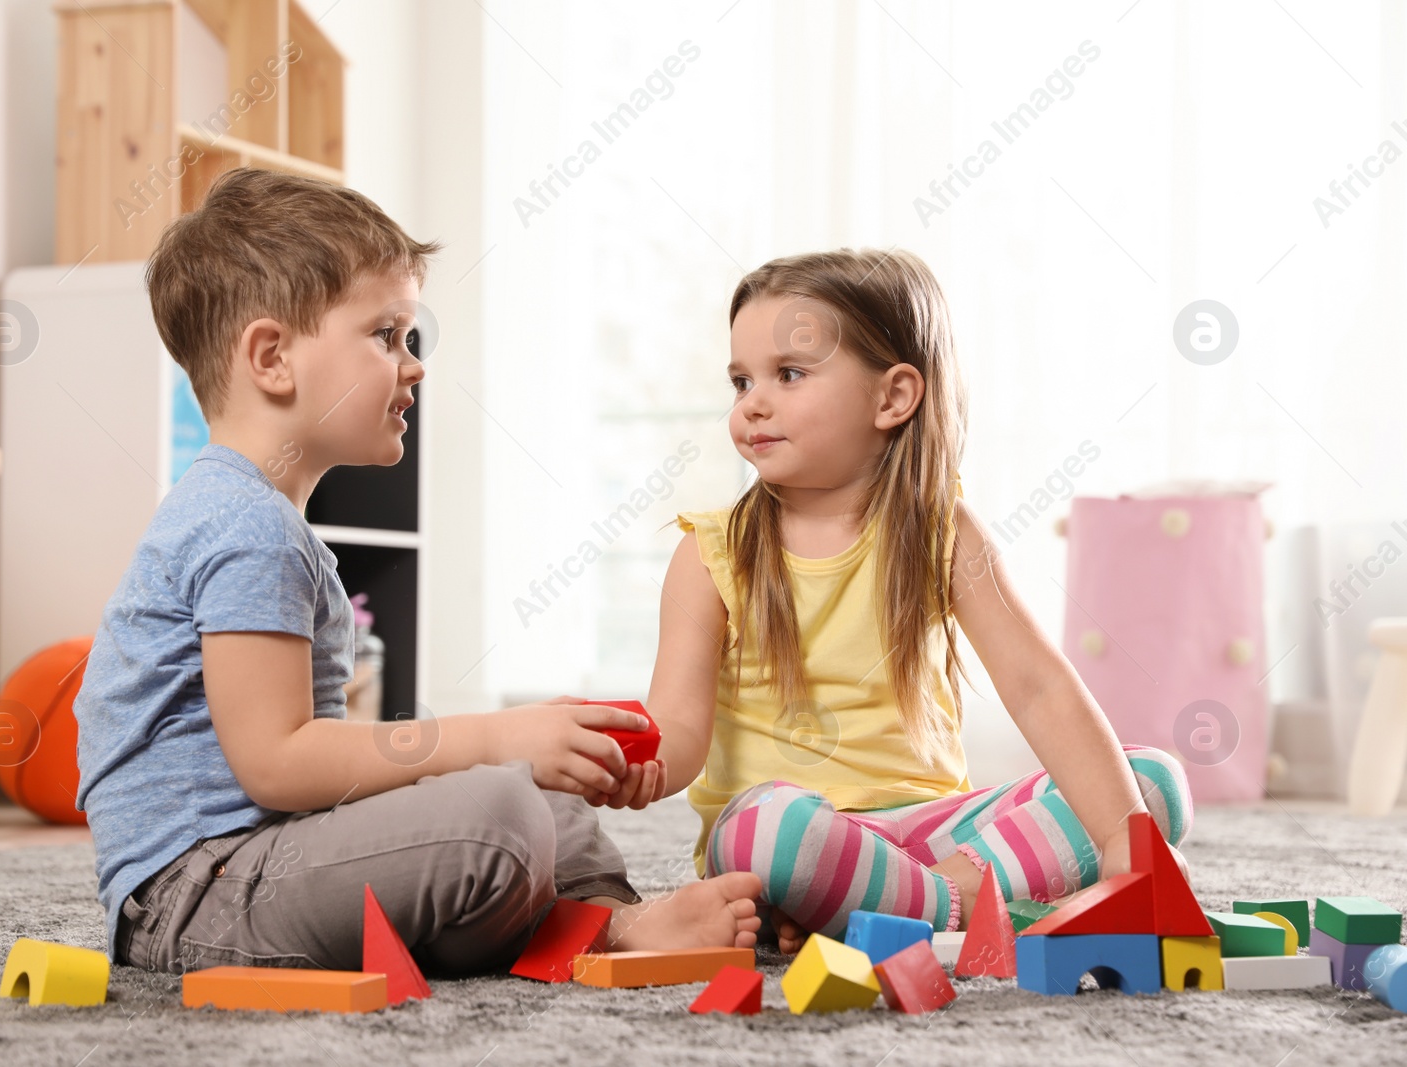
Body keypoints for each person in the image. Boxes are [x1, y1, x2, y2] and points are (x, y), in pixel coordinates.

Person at [73, 168, 761, 974]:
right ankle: (596, 934)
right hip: (200, 894)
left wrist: (523, 751)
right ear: (271, 357)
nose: (415, 365)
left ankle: (613, 921)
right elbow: (280, 762)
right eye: (387, 335)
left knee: (538, 798)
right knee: (501, 808)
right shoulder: (243, 526)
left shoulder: (260, 519)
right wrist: (497, 736)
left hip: (269, 856)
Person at [637, 248, 1192, 952]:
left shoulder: (943, 532)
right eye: (741, 380)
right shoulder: (710, 550)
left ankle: (903, 905)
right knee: (761, 832)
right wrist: (637, 761)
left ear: (892, 397)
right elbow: (676, 729)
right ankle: (967, 907)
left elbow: (1038, 687)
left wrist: (1123, 843)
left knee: (1150, 786)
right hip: (796, 839)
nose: (753, 402)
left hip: (933, 833)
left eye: (789, 374)